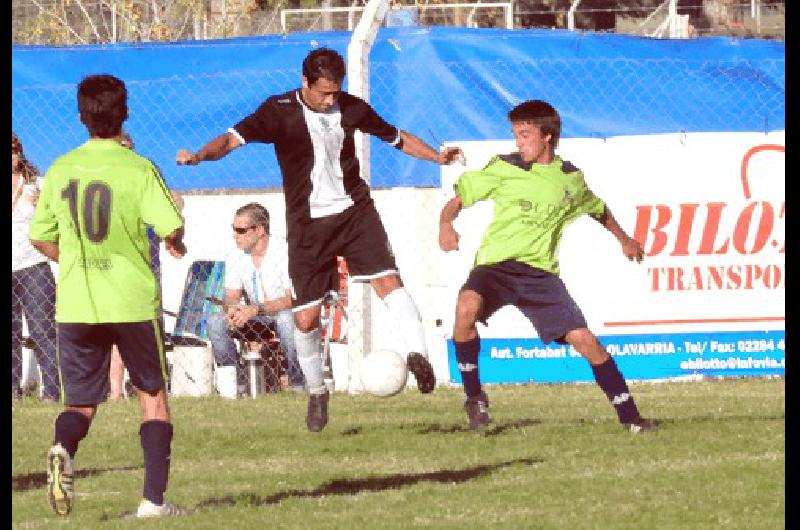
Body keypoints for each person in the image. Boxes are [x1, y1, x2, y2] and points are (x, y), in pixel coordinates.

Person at [176, 47, 464, 432]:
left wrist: (437, 158)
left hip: (355, 213)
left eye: (336, 93)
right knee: (306, 318)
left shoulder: (351, 107)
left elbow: (397, 138)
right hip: (308, 226)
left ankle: (418, 356)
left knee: (389, 282)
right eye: (324, 93)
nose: (331, 101)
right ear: (305, 83)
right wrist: (198, 157)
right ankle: (316, 392)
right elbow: (230, 140)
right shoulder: (278, 110)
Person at [438, 100, 658, 433]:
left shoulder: (569, 179)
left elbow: (597, 208)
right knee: (466, 308)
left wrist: (624, 239)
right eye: (515, 135)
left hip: (540, 275)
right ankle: (474, 398)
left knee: (586, 341)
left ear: (547, 137)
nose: (518, 142)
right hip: (495, 268)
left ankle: (632, 419)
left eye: (525, 135)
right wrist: (445, 226)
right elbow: (455, 203)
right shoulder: (503, 167)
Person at [29, 74, 188, 518]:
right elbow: (169, 224)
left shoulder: (60, 168)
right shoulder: (138, 167)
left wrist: (75, 259)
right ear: (126, 112)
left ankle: (63, 446)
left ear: (81, 117)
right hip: (131, 301)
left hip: (77, 303)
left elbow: (40, 236)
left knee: (80, 401)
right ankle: (153, 503)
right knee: (152, 397)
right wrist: (176, 237)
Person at [108, 131, 184, 401]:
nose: (123, 153)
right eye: (119, 148)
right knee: (116, 327)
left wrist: (172, 236)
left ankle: (152, 384)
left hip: (145, 265)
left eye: (127, 147)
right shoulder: (106, 179)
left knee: (149, 324)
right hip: (114, 266)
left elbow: (175, 200)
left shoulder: (143, 173)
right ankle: (115, 390)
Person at [206, 202, 305, 397]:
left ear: (259, 230)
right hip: (256, 317)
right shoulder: (235, 255)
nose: (235, 235)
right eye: (233, 229)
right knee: (215, 321)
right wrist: (234, 310)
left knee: (285, 319)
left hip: (286, 314)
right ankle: (236, 383)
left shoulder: (285, 251)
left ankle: (298, 383)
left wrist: (254, 309)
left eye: (241, 230)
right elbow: (232, 295)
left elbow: (293, 299)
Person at [12, 132, 59, 401]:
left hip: (34, 265)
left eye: (15, 151)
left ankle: (52, 391)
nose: (13, 156)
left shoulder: (37, 185)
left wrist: (41, 205)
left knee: (42, 330)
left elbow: (56, 217)